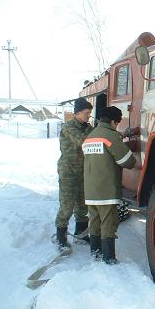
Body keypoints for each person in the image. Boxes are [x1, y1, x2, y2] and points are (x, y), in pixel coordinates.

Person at [82, 106, 136, 264]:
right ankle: (109, 258)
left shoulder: (90, 137)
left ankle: (96, 253)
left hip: (90, 190)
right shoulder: (110, 136)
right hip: (106, 190)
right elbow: (127, 161)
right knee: (108, 224)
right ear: (113, 121)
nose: (117, 126)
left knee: (95, 222)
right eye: (117, 123)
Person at [55, 97, 94, 249]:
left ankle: (81, 235)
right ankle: (61, 238)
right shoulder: (69, 127)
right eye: (86, 113)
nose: (88, 115)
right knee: (67, 206)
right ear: (77, 113)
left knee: (82, 206)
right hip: (68, 172)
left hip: (83, 172)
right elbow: (84, 141)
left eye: (90, 113)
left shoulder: (87, 127)